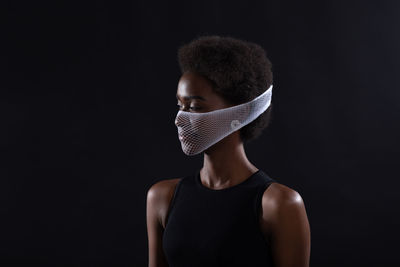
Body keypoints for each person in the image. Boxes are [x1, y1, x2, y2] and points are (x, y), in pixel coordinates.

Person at [146, 35, 311, 267]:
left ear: (240, 113)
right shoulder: (162, 197)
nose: (179, 119)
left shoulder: (279, 205)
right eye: (179, 105)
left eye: (194, 107)